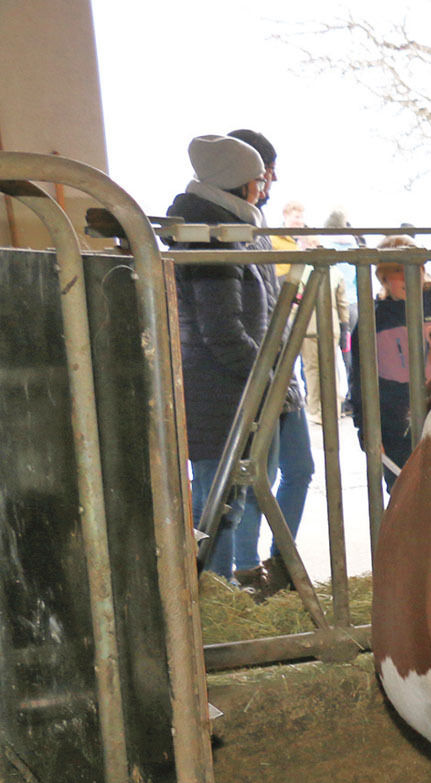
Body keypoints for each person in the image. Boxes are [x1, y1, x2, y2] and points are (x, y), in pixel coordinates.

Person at [165, 134, 274, 580]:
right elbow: (221, 329)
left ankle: (216, 589)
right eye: (255, 179)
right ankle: (213, 591)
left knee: (222, 498)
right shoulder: (212, 239)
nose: (261, 186)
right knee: (217, 502)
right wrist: (265, 374)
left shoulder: (215, 229)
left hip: (218, 389)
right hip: (217, 392)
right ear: (238, 184)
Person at [222, 129, 313, 597]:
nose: (270, 179)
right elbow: (230, 320)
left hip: (281, 369)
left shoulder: (254, 226)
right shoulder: (231, 231)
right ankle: (245, 568)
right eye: (265, 171)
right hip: (259, 374)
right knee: (259, 475)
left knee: (300, 469)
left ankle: (280, 562)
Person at [345, 235, 431, 496]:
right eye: (397, 273)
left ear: (424, 270)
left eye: (415, 270)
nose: (407, 279)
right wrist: (368, 430)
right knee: (405, 496)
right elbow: (360, 383)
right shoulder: (371, 322)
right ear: (382, 278)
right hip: (395, 428)